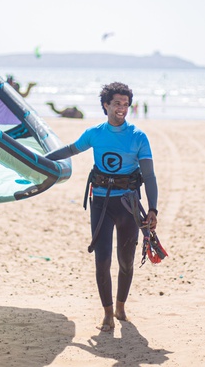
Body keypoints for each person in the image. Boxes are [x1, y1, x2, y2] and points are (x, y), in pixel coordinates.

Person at [47, 81, 159, 332]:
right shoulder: (94, 133)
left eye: (126, 104)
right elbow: (70, 150)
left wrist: (153, 209)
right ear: (106, 105)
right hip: (101, 203)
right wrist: (41, 160)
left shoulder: (138, 137)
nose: (122, 108)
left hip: (129, 204)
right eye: (117, 103)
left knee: (126, 261)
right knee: (102, 260)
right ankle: (107, 313)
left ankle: (121, 306)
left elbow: (149, 176)